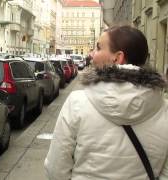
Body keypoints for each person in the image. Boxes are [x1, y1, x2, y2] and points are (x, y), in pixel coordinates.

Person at [44, 25, 168, 180]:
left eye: (98, 48)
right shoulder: (164, 109)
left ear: (117, 57)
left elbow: (56, 169)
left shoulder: (77, 103)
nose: (92, 54)